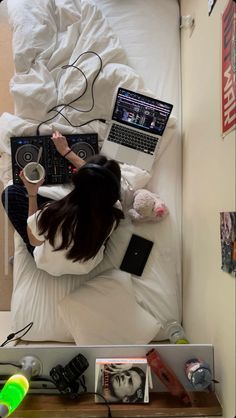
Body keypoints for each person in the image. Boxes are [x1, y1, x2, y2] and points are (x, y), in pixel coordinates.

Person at [1, 131, 124, 276]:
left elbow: (34, 241)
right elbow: (99, 180)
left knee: (10, 194)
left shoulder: (51, 214)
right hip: (85, 265)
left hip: (49, 264)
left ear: (78, 182)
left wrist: (32, 193)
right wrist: (66, 152)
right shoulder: (115, 211)